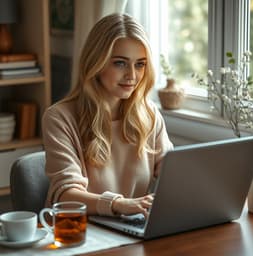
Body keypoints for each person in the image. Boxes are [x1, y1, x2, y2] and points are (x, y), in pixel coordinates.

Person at [42, 13, 173, 217]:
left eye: (140, 64)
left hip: (131, 230)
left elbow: (173, 173)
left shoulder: (149, 114)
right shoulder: (59, 118)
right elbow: (65, 194)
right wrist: (118, 204)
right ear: (96, 62)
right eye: (120, 63)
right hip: (82, 232)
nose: (132, 75)